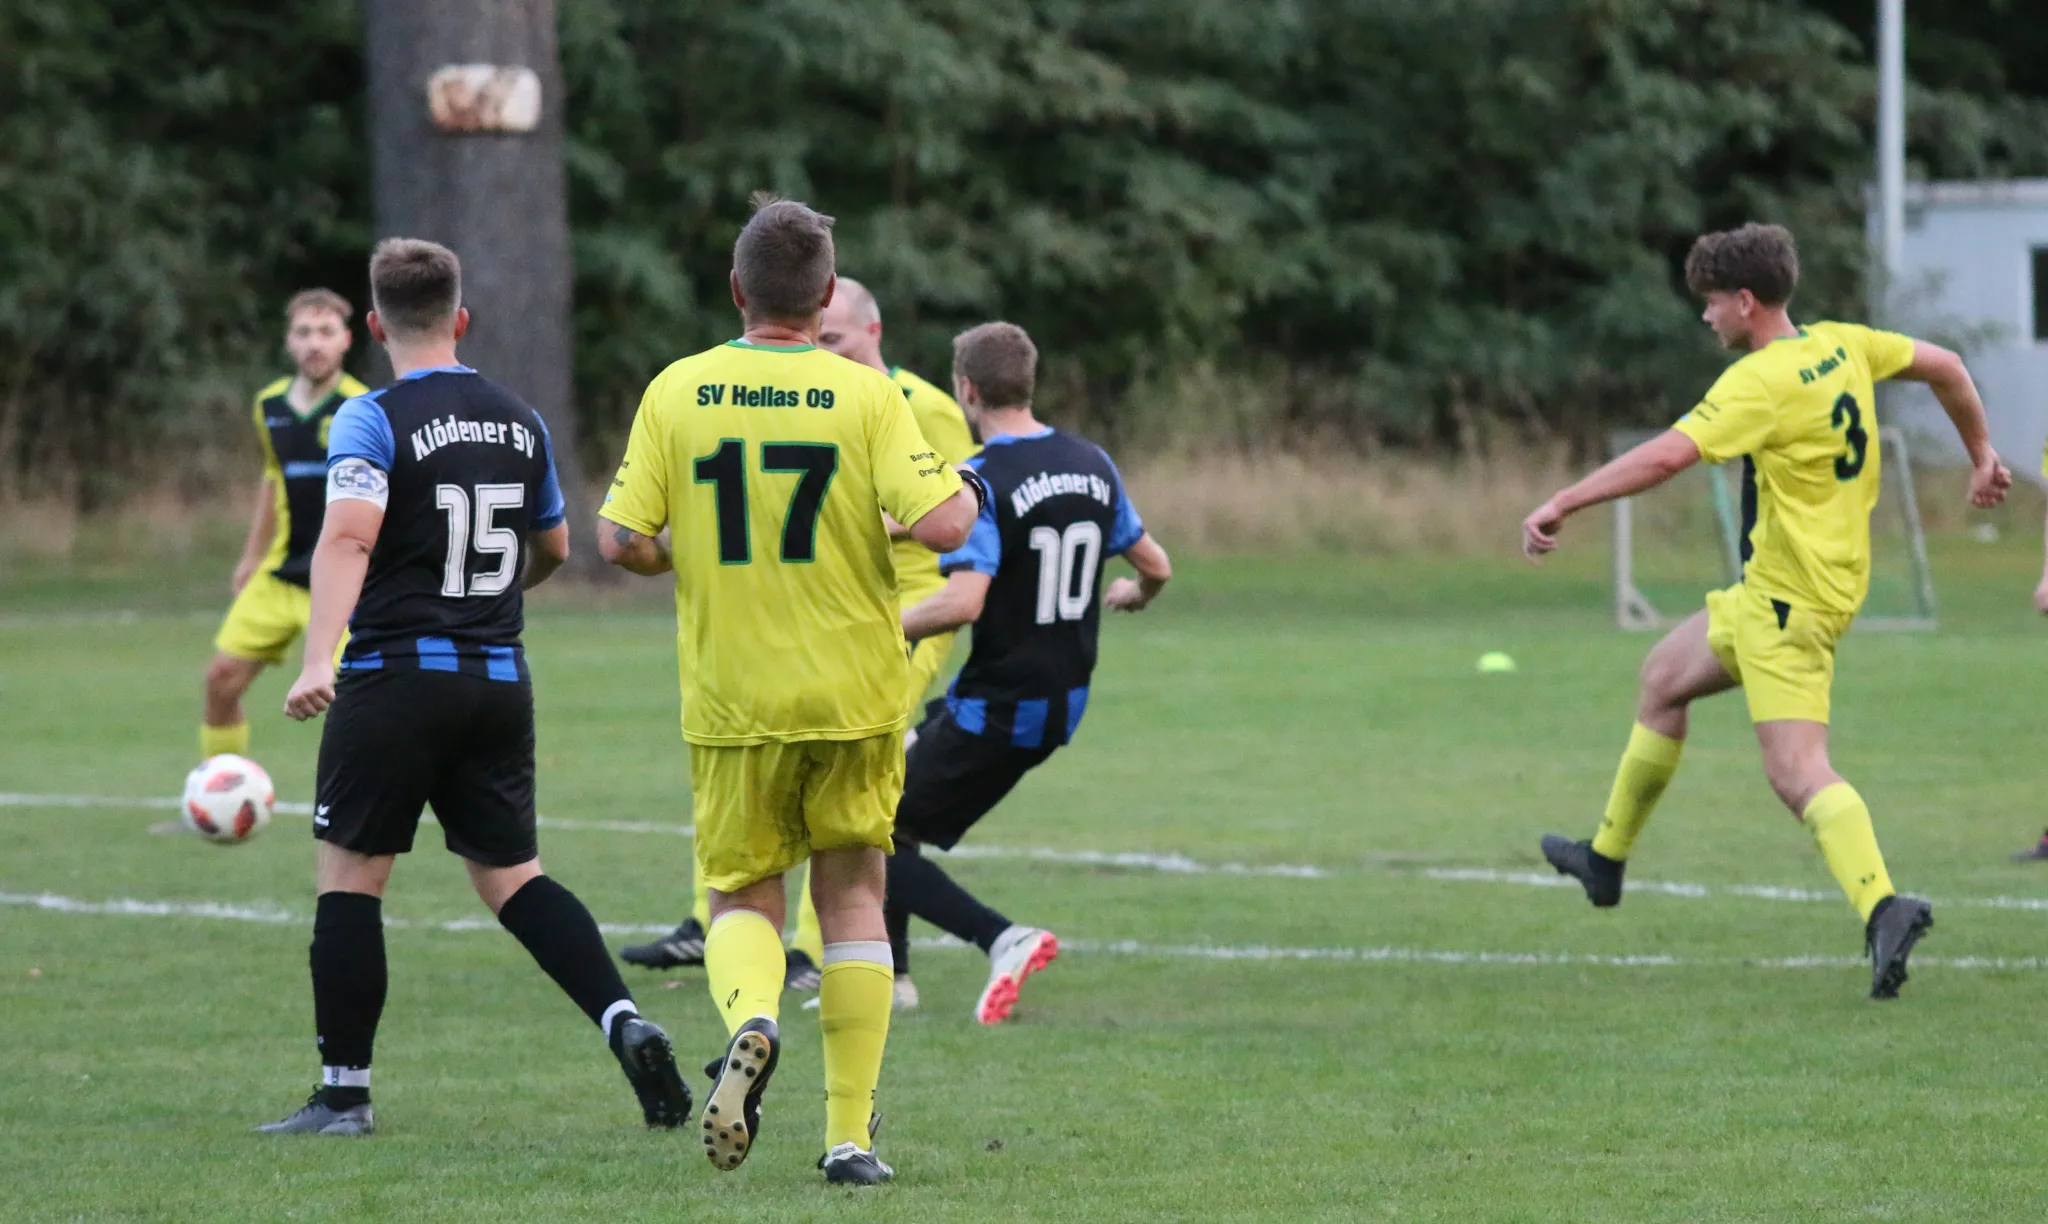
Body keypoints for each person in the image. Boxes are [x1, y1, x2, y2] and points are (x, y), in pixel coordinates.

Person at [257, 239, 690, 1137]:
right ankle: (623, 1020)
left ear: (374, 327)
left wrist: (316, 658)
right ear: (460, 320)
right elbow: (555, 546)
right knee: (512, 877)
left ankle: (344, 1095)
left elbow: (348, 537)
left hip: (395, 679)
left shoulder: (371, 416)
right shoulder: (519, 418)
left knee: (350, 878)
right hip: (497, 679)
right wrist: (490, 598)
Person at [596, 196, 980, 1184]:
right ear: (825, 295)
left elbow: (620, 540)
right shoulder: (866, 394)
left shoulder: (678, 389)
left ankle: (752, 1020)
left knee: (738, 896)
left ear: (737, 290)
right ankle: (849, 1140)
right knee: (852, 897)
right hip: (855, 692)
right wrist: (969, 487)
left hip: (735, 699)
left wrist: (676, 551)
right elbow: (945, 525)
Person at [1522, 223, 2010, 999]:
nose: (1706, 315)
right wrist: (1981, 453)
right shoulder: (1843, 343)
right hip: (1792, 591)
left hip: (1788, 604)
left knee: (1796, 771)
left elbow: (1666, 455)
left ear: (1746, 301)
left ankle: (1884, 905)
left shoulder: (1759, 382)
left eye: (1712, 301)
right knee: (1662, 679)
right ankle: (1604, 861)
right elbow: (1947, 365)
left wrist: (1563, 501)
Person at [618, 276, 979, 1010]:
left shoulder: (918, 404)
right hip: (816, 622)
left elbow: (941, 515)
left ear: (873, 332)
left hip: (900, 608)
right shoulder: (824, 393)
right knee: (828, 836)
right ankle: (719, 929)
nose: (830, 348)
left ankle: (802, 958)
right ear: (815, 301)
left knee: (805, 818)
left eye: (841, 338)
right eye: (827, 335)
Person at [881, 322, 1171, 1023]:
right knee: (888, 796)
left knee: (865, 831)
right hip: (1057, 699)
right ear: (1029, 381)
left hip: (1001, 706)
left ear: (966, 389)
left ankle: (1002, 939)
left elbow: (963, 601)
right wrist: (1135, 594)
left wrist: (873, 631)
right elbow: (1156, 565)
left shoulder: (980, 477)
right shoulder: (1092, 462)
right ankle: (892, 982)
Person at [201, 291, 369, 761]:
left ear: (346, 340)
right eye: (304, 333)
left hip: (341, 581)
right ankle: (221, 785)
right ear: (289, 341)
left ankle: (362, 799)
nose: (314, 343)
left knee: (358, 698)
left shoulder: (362, 406)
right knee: (221, 680)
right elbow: (274, 477)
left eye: (326, 332)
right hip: (281, 574)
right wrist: (251, 556)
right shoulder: (269, 405)